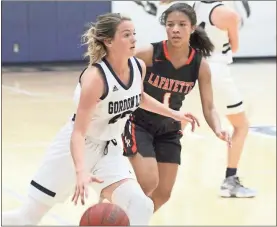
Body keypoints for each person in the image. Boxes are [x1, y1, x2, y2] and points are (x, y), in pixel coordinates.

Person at [2, 13, 200, 226]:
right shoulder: (95, 78)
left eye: (134, 34)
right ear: (108, 41)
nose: (134, 39)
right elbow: (78, 132)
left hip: (110, 150)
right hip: (74, 152)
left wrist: (173, 113)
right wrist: (80, 171)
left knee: (142, 205)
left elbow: (138, 96)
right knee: (27, 219)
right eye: (126, 35)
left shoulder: (137, 67)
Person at [122, 2, 231, 213]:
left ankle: (129, 219)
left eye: (182, 24)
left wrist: (218, 128)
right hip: (139, 123)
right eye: (170, 24)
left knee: (163, 193)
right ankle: (115, 202)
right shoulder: (148, 53)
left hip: (170, 130)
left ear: (192, 27)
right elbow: (118, 72)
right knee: (147, 183)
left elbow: (209, 107)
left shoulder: (200, 65)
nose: (175, 29)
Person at [193, 0, 256, 198]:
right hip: (216, 71)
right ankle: (230, 181)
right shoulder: (229, 15)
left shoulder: (195, 5)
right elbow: (234, 47)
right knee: (241, 125)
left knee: (177, 126)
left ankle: (148, 177)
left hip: (193, 68)